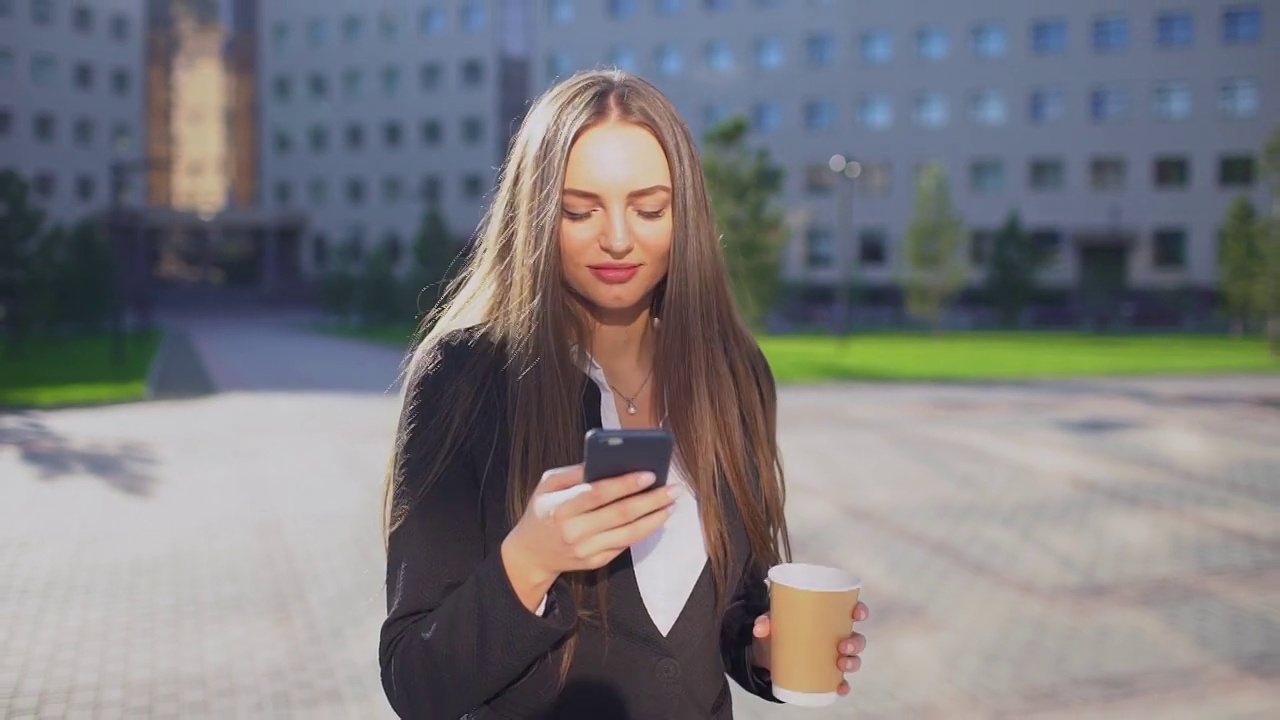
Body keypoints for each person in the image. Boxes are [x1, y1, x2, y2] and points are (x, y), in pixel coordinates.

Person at [378, 69, 868, 720]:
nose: (616, 238)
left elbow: (729, 613)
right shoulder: (464, 378)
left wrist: (767, 652)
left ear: (684, 213)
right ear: (535, 215)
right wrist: (530, 560)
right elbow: (416, 682)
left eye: (648, 208)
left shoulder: (733, 372)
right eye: (580, 210)